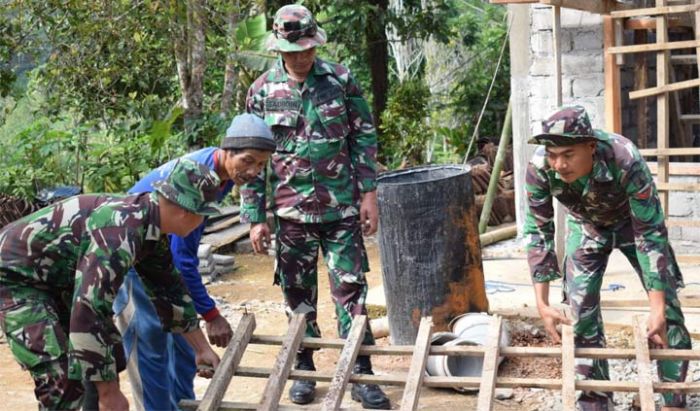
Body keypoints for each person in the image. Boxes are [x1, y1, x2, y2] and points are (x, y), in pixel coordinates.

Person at [240, 5, 389, 409]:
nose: (303, 56)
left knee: (352, 291)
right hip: (290, 217)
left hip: (341, 210)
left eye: (308, 48)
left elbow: (363, 138)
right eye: (295, 50)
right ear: (280, 49)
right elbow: (250, 161)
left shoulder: (339, 80)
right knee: (297, 294)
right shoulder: (261, 92)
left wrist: (369, 194)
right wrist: (254, 218)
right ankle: (303, 368)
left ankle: (361, 372)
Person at [0, 159, 223, 411]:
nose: (201, 224)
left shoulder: (151, 225)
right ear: (186, 211)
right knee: (60, 380)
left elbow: (169, 290)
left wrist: (201, 349)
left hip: (53, 279)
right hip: (15, 279)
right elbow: (88, 310)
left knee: (109, 357)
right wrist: (110, 394)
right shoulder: (121, 232)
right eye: (203, 217)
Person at [523, 105, 691, 411]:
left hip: (633, 224)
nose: (559, 164)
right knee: (581, 310)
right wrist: (543, 303)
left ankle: (673, 399)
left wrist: (657, 308)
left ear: (590, 146)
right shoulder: (540, 168)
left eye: (568, 154)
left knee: (666, 308)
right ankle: (596, 400)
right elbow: (538, 231)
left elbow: (650, 234)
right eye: (552, 154)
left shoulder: (624, 157)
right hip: (586, 226)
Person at [113, 113, 275, 410]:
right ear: (227, 150)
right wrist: (211, 315)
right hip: (135, 257)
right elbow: (182, 259)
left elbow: (179, 259)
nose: (254, 171)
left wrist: (200, 321)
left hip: (161, 254)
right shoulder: (200, 177)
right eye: (248, 161)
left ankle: (182, 404)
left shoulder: (223, 175)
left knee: (184, 342)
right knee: (151, 343)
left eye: (262, 164)